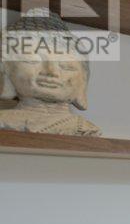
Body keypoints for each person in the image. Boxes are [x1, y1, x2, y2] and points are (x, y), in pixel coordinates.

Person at [0, 8, 101, 136]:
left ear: (83, 80)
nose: (51, 72)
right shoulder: (4, 121)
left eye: (66, 66)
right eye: (33, 60)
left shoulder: (85, 128)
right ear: (5, 70)